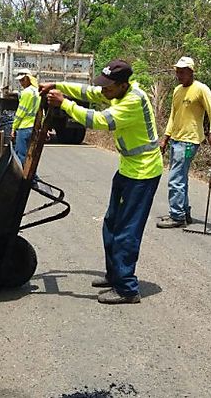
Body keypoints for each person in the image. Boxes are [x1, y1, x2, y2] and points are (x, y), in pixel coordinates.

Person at [40, 60, 162, 304]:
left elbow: (99, 121)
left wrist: (64, 103)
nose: (103, 91)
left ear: (122, 85)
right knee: (111, 223)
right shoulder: (117, 92)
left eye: (108, 87)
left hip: (143, 173)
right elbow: (87, 91)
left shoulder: (132, 101)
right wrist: (58, 85)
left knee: (127, 230)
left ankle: (127, 289)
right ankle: (115, 274)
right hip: (128, 169)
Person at [156, 56, 211, 229]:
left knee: (175, 179)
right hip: (176, 140)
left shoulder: (201, 89)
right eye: (177, 71)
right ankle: (183, 212)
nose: (179, 74)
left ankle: (177, 216)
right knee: (180, 177)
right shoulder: (177, 90)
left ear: (191, 72)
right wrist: (165, 139)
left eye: (183, 71)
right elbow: (173, 116)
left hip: (189, 141)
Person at [10, 68, 40, 166]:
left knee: (21, 155)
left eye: (22, 80)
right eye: (20, 80)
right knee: (31, 155)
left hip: (24, 128)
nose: (21, 83)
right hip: (34, 127)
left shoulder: (26, 92)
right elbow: (41, 112)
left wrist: (14, 128)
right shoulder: (38, 92)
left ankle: (23, 178)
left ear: (28, 79)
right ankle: (33, 178)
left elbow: (20, 113)